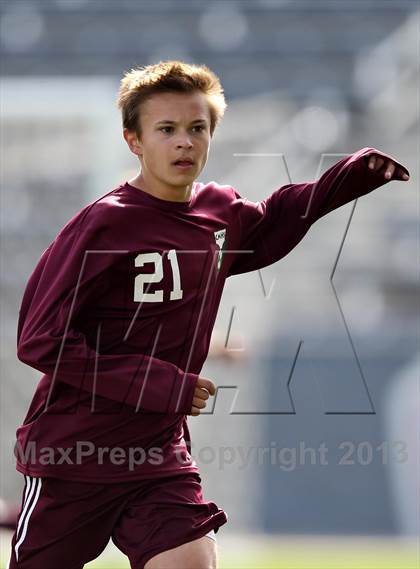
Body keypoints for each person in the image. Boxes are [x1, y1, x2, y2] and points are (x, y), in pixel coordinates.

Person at [8, 60, 409, 569]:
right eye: (167, 130)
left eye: (197, 128)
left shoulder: (218, 211)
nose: (184, 142)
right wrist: (155, 383)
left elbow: (269, 225)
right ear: (134, 140)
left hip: (157, 455)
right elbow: (39, 339)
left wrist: (343, 180)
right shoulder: (104, 225)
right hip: (76, 454)